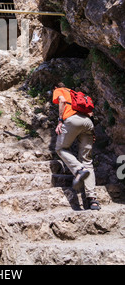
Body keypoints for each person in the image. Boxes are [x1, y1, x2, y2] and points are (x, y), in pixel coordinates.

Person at [52, 82, 100, 211]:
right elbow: (90, 113)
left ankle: (79, 169)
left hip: (72, 120)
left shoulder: (60, 90)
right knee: (87, 160)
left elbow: (61, 101)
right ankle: (93, 200)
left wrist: (60, 121)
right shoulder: (75, 94)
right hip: (87, 122)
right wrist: (92, 132)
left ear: (56, 87)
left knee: (60, 148)